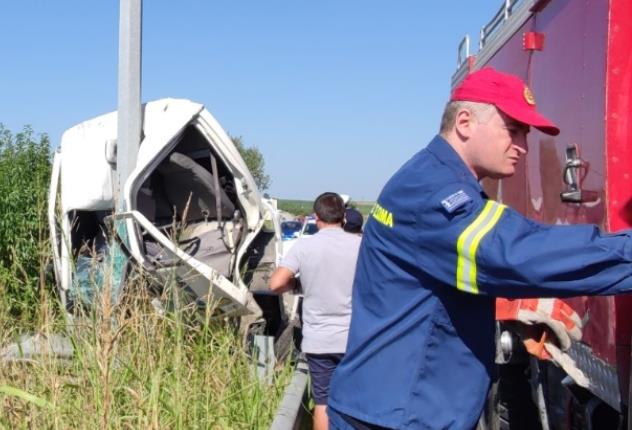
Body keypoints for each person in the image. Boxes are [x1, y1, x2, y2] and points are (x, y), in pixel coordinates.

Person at [327, 67, 632, 429]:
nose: (523, 145)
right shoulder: (435, 191)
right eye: (513, 129)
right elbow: (514, 254)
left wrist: (509, 308)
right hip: (399, 416)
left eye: (526, 134)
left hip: (389, 406)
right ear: (465, 122)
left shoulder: (429, 176)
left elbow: (431, 284)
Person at [269, 192, 361, 430]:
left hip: (319, 340)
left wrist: (297, 284)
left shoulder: (304, 245)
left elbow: (276, 284)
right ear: (343, 217)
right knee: (355, 401)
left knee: (323, 401)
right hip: (355, 339)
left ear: (316, 217)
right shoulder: (361, 245)